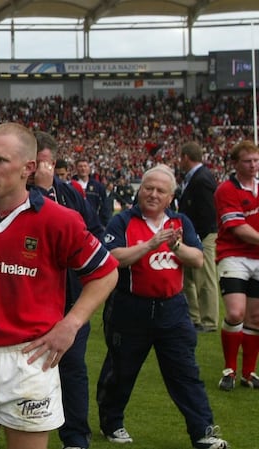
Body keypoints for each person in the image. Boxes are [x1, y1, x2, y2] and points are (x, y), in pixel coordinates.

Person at [0, 122, 118, 449]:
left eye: (0, 160)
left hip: (28, 361)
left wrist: (71, 324)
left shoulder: (59, 220)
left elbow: (105, 272)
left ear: (28, 168)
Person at [96, 164, 228, 449]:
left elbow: (197, 258)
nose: (153, 194)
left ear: (171, 197)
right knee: (121, 370)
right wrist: (151, 244)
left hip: (172, 309)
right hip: (130, 308)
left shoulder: (180, 222)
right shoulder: (124, 222)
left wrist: (176, 247)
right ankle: (112, 422)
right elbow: (113, 258)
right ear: (139, 190)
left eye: (160, 191)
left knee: (185, 373)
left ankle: (203, 432)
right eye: (148, 188)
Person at [31, 131, 105, 449]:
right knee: (31, 370)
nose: (41, 169)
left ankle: (75, 437)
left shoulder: (72, 193)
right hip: (29, 299)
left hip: (71, 298)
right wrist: (43, 193)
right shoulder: (15, 195)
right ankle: (27, 431)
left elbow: (96, 232)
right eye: (37, 163)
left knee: (73, 367)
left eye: (46, 163)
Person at [214, 140, 259, 391]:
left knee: (256, 317)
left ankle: (248, 373)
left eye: (255, 160)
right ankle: (229, 369)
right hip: (234, 255)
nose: (253, 165)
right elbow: (239, 229)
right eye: (247, 161)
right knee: (235, 313)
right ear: (235, 163)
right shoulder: (226, 190)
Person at [178, 142, 219, 333]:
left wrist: (198, 238)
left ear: (186, 157)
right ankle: (194, 317)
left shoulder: (201, 179)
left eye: (181, 157)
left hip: (203, 234)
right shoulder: (197, 177)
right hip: (193, 234)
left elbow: (209, 212)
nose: (180, 161)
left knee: (204, 278)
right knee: (188, 278)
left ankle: (209, 321)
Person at [73, 158, 111, 225]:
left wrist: (103, 223)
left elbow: (105, 205)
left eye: (85, 166)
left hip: (94, 224)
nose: (83, 169)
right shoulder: (71, 185)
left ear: (89, 168)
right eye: (80, 166)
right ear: (76, 168)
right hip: (76, 223)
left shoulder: (98, 186)